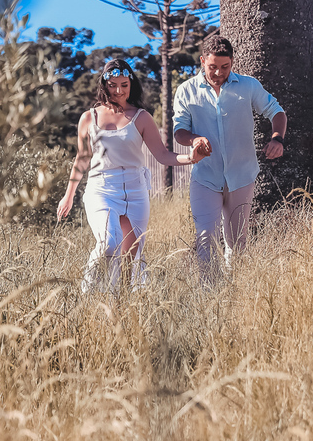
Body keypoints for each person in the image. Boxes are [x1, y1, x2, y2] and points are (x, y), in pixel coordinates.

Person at [57, 59, 210, 292]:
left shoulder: (141, 117)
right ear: (104, 85)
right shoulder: (89, 118)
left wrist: (192, 157)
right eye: (113, 85)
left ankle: (121, 309)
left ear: (131, 85)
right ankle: (88, 292)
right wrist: (68, 196)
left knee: (131, 256)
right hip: (101, 188)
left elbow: (162, 155)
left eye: (124, 85)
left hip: (136, 191)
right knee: (109, 244)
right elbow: (81, 158)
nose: (118, 90)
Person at [172, 34, 288, 279]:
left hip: (242, 176)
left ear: (232, 62)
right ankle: (209, 297)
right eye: (212, 67)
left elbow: (277, 112)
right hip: (205, 177)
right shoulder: (187, 90)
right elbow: (179, 131)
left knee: (237, 242)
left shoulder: (249, 86)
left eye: (225, 67)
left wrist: (277, 138)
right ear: (202, 61)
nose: (218, 73)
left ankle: (234, 296)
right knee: (206, 240)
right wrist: (194, 139)